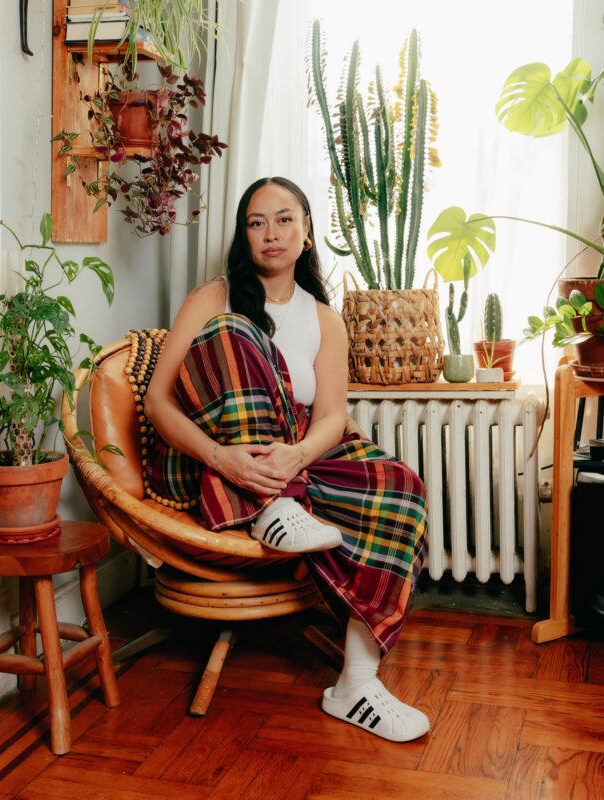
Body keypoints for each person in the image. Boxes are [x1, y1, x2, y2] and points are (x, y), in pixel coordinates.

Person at [145, 176, 429, 742]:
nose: (270, 233)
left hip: (291, 454)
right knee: (236, 332)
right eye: (256, 222)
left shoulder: (325, 318)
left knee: (402, 485)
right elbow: (157, 400)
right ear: (242, 235)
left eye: (283, 219)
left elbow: (330, 417)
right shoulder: (214, 298)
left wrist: (297, 455)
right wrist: (222, 457)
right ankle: (271, 507)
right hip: (213, 451)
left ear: (306, 232)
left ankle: (357, 682)